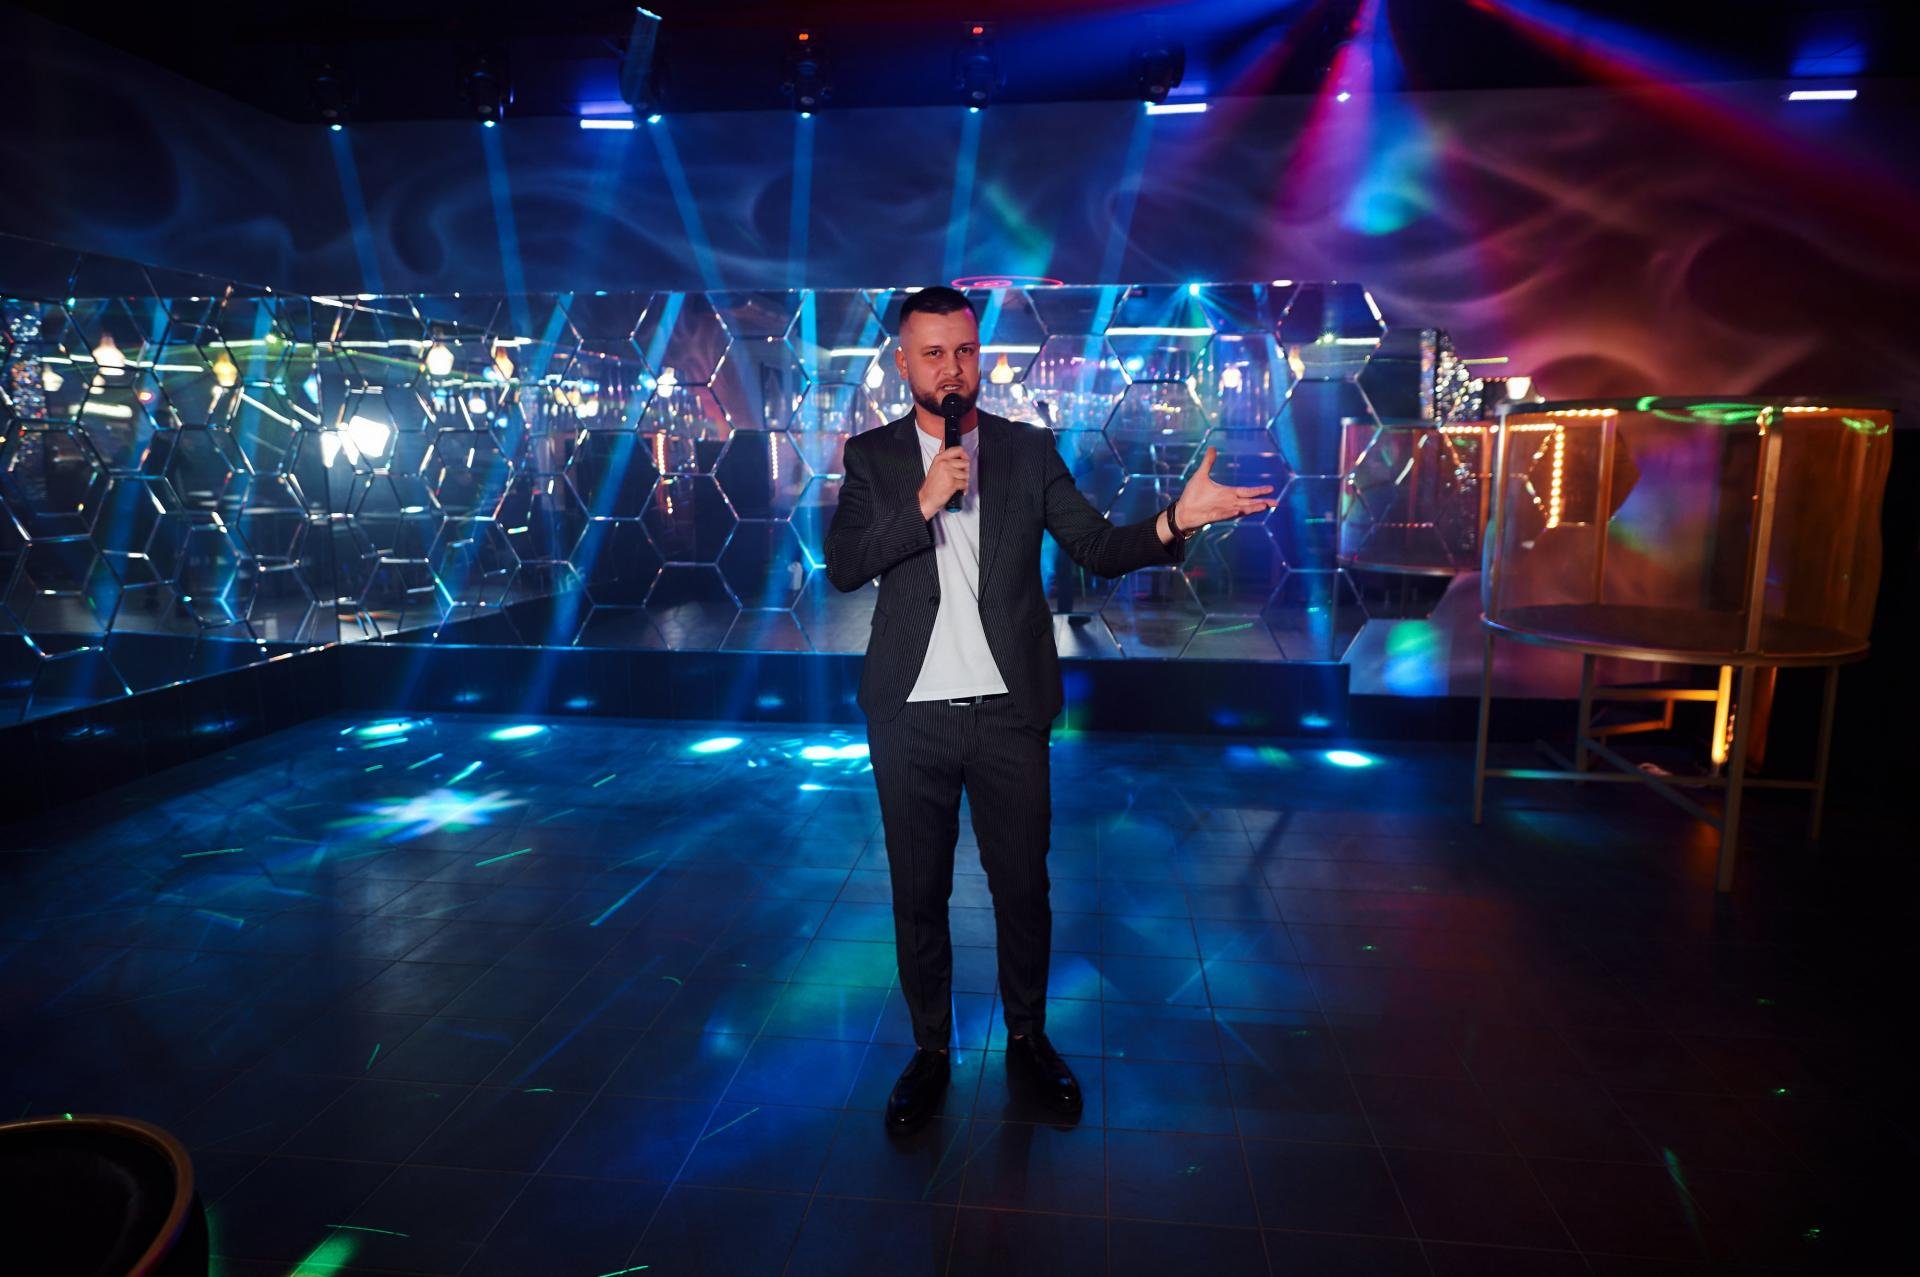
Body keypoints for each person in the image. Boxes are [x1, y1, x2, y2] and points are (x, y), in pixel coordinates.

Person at [824, 286, 1275, 1131]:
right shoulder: (873, 457)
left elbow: (1097, 545)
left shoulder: (1027, 450)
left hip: (1008, 711)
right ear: (903, 361)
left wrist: (1175, 520)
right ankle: (930, 1051)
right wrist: (922, 500)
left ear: (980, 355)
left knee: (1023, 888)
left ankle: (1027, 1037)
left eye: (964, 351)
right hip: (910, 714)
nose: (951, 369)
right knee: (918, 895)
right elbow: (844, 564)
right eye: (933, 353)